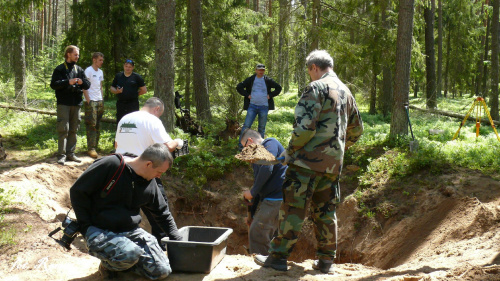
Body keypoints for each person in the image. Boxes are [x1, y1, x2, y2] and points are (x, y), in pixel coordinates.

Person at [254, 50, 364, 274]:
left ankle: (278, 257)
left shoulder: (316, 88)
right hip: (332, 166)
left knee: (293, 208)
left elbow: (305, 128)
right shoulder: (346, 91)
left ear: (314, 67)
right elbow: (357, 130)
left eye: (309, 71)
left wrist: (290, 151)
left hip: (305, 163)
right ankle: (326, 262)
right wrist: (337, 149)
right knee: (325, 211)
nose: (309, 75)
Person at [70, 143, 179, 280]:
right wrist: (85, 227)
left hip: (130, 231)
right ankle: (108, 266)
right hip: (99, 230)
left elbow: (162, 213)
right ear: (148, 164)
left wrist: (179, 240)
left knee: (162, 271)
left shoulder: (150, 181)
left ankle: (124, 266)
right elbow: (77, 191)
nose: (159, 177)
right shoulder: (111, 165)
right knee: (130, 254)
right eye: (159, 172)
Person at [115, 97, 183, 247]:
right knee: (159, 214)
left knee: (124, 215)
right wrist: (178, 142)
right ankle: (163, 250)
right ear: (157, 108)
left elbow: (116, 144)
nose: (158, 117)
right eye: (160, 114)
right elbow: (167, 147)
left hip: (120, 171)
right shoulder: (152, 120)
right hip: (145, 171)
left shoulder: (125, 119)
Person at [240, 128, 286, 255]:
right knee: (268, 233)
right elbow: (259, 185)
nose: (245, 150)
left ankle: (261, 264)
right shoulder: (257, 158)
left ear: (250, 140)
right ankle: (271, 261)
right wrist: (252, 214)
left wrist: (252, 192)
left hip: (277, 197)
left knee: (257, 231)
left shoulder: (270, 143)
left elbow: (267, 168)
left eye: (245, 146)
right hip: (271, 198)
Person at [50, 45, 90, 165]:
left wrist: (82, 82)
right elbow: (53, 84)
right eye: (75, 54)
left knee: (74, 129)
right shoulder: (60, 69)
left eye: (78, 54)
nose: (78, 56)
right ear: (68, 54)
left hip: (76, 103)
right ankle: (61, 155)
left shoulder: (79, 69)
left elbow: (87, 85)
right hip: (63, 103)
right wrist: (68, 82)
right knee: (63, 129)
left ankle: (71, 154)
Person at [236, 64, 282, 150]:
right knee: (246, 126)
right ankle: (241, 146)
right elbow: (239, 87)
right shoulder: (251, 79)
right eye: (259, 70)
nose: (261, 72)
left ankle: (260, 148)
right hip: (252, 106)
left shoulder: (268, 80)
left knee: (261, 128)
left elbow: (278, 88)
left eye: (263, 70)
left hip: (264, 107)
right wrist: (247, 95)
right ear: (256, 70)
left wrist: (270, 95)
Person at [110, 59, 147, 123]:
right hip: (121, 103)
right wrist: (117, 91)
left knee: (133, 122)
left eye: (130, 67)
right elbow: (112, 88)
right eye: (126, 66)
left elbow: (144, 90)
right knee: (121, 121)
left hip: (133, 104)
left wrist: (134, 94)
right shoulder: (118, 76)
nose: (128, 68)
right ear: (123, 66)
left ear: (133, 67)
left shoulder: (137, 77)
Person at [83, 52, 105, 158]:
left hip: (99, 100)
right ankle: (91, 148)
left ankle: (96, 145)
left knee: (98, 123)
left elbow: (100, 86)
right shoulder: (88, 71)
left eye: (102, 60)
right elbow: (84, 86)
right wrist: (88, 100)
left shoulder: (100, 72)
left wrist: (102, 98)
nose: (102, 62)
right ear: (94, 60)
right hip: (91, 100)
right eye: (100, 60)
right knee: (91, 123)